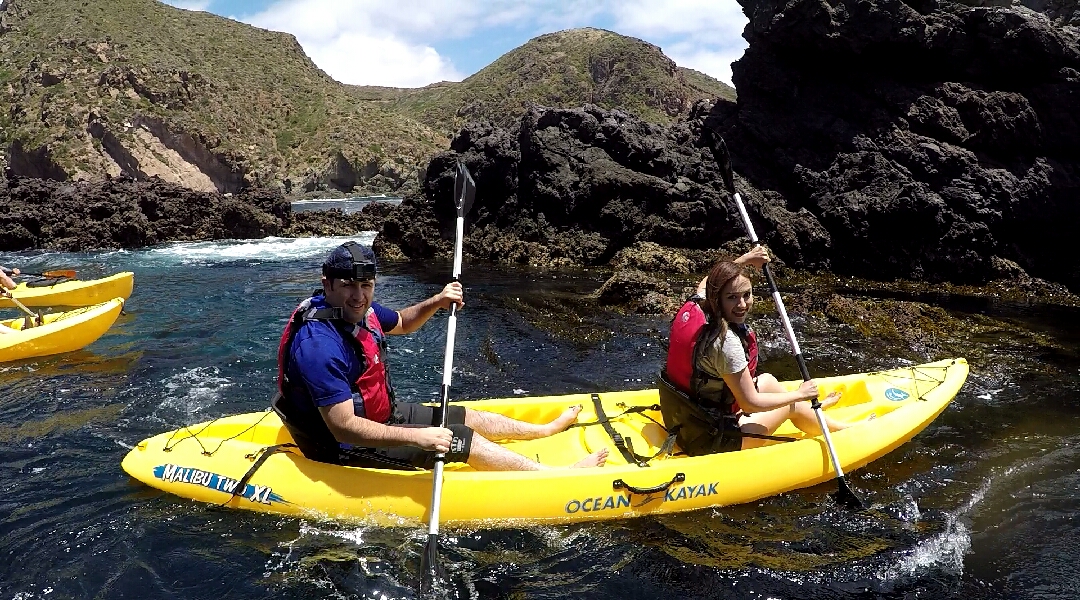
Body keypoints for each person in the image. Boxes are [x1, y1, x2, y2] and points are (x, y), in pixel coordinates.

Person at [274, 241, 608, 471]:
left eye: (367, 285)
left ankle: (544, 431)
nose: (359, 295)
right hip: (344, 446)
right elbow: (344, 428)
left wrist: (437, 300)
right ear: (327, 284)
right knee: (463, 440)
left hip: (381, 417)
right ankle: (551, 475)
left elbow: (402, 321)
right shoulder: (319, 346)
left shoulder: (359, 311)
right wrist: (418, 437)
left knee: (466, 417)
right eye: (348, 285)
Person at [659, 248, 852, 455]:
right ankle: (844, 430)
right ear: (717, 298)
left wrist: (747, 259)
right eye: (732, 297)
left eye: (747, 294)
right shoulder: (725, 343)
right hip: (712, 438)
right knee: (792, 405)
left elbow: (708, 281)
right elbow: (750, 404)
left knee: (767, 380)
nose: (742, 304)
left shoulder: (694, 306)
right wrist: (799, 394)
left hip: (686, 417)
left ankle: (815, 412)